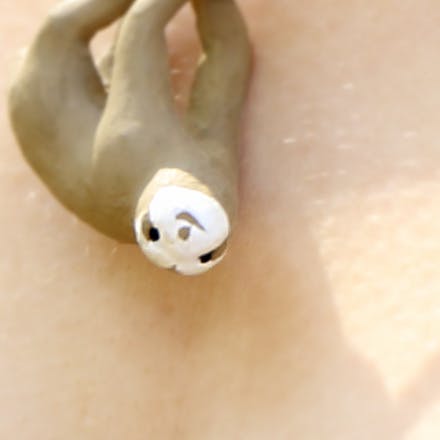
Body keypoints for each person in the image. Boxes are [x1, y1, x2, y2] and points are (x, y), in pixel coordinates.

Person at [1, 0, 440, 438]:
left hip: (44, 93)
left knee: (73, 32)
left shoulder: (129, 145)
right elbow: (226, 55)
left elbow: (142, 26)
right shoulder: (211, 171)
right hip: (85, 119)